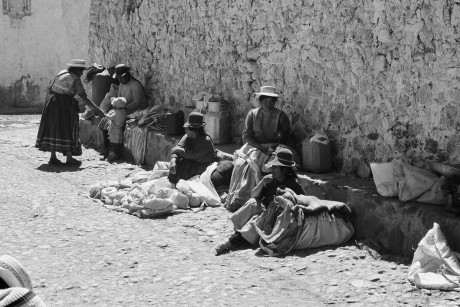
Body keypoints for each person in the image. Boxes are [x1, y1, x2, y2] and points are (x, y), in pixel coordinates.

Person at [215, 148, 305, 255]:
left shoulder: (294, 185)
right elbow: (254, 195)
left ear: (284, 170)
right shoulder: (270, 180)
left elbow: (302, 202)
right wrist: (262, 182)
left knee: (255, 223)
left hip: (277, 219)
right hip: (265, 211)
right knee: (253, 202)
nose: (272, 170)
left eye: (276, 167)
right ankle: (239, 231)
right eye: (273, 167)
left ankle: (230, 242)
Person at [225, 85, 296, 212]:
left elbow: (286, 137)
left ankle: (259, 198)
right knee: (241, 164)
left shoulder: (281, 116)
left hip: (275, 147)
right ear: (260, 100)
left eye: (272, 101)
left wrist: (275, 144)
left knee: (262, 164)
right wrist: (260, 148)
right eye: (266, 100)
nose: (269, 104)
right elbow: (247, 136)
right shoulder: (252, 114)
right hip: (254, 145)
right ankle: (240, 199)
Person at [35, 59, 99, 166]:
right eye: (81, 71)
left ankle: (53, 157)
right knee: (67, 127)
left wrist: (89, 67)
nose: (82, 73)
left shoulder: (62, 72)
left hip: (52, 102)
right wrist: (95, 108)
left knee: (53, 127)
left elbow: (50, 87)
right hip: (64, 104)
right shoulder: (75, 79)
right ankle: (69, 158)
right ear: (77, 70)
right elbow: (83, 95)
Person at [168, 112, 217, 184]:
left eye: (187, 129)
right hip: (191, 163)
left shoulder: (206, 141)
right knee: (179, 162)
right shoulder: (187, 136)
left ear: (194, 130)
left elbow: (194, 155)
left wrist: (180, 150)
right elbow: (178, 147)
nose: (185, 131)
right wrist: (173, 159)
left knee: (186, 165)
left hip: (202, 167)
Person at [104, 97, 128, 163]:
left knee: (113, 143)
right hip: (119, 129)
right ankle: (118, 155)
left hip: (114, 129)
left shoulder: (117, 112)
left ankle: (113, 156)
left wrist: (104, 115)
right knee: (118, 143)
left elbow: (110, 118)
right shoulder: (124, 111)